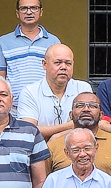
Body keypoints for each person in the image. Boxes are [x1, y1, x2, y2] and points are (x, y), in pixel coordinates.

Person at [17, 44, 93, 172]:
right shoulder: (30, 92)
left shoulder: (83, 89)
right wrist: (70, 126)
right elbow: (28, 130)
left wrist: (55, 138)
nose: (63, 67)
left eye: (68, 63)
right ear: (44, 64)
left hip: (78, 155)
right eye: (58, 63)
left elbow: (89, 126)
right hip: (40, 155)